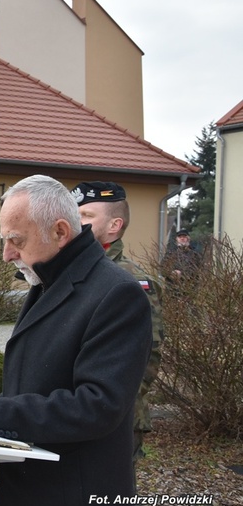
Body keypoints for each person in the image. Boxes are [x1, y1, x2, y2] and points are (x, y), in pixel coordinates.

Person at [0, 175, 152, 506]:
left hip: (74, 500)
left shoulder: (116, 293)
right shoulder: (48, 280)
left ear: (60, 232)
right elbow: (43, 387)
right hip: (33, 492)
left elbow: (95, 406)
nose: (6, 255)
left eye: (16, 240)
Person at [71, 181, 164, 471]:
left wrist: (107, 406)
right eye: (75, 214)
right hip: (68, 411)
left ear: (114, 225)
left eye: (86, 215)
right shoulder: (69, 271)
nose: (77, 222)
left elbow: (147, 355)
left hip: (113, 416)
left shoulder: (132, 282)